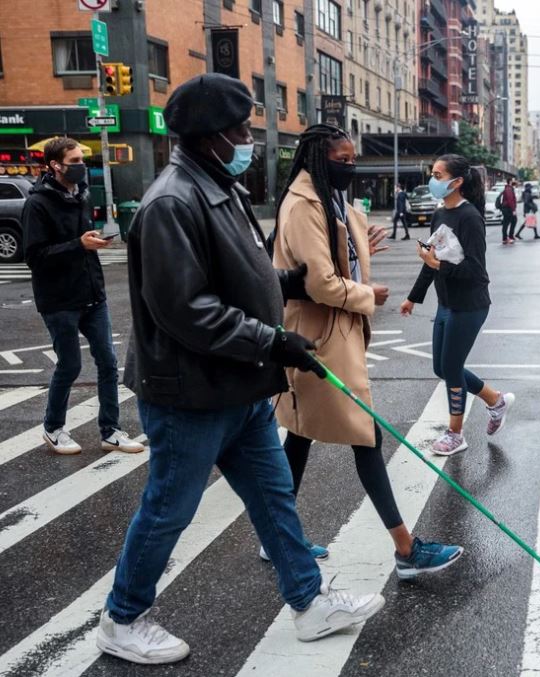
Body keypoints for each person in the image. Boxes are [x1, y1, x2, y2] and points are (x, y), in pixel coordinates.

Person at [99, 74, 383, 666]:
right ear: (209, 136)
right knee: (169, 508)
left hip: (239, 382)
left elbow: (233, 273)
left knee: (275, 495)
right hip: (191, 392)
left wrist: (283, 284)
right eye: (240, 129)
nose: (248, 137)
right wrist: (273, 340)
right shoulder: (173, 201)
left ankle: (309, 604)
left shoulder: (217, 184)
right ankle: (122, 618)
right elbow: (185, 309)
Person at [272, 124, 463, 578]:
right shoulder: (303, 203)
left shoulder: (326, 196)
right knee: (366, 436)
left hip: (332, 331)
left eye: (354, 158)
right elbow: (319, 282)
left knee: (299, 438)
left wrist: (357, 246)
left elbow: (334, 250)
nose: (351, 166)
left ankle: (275, 535)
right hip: (322, 335)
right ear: (320, 158)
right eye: (344, 159)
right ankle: (406, 550)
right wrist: (365, 293)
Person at [22, 137, 144, 456]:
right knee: (70, 365)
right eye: (74, 161)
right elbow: (34, 256)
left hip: (92, 295)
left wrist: (92, 243)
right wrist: (78, 244)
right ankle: (53, 427)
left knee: (108, 362)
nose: (81, 167)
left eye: (82, 160)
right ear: (55, 165)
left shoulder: (83, 195)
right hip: (59, 300)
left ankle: (111, 431)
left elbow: (82, 242)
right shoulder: (37, 204)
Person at [400, 154, 515, 456]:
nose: (432, 180)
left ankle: (455, 433)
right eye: (433, 174)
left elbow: (476, 271)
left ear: (457, 182)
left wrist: (437, 264)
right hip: (447, 302)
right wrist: (414, 296)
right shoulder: (440, 214)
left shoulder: (470, 218)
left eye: (438, 175)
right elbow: (431, 258)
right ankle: (495, 400)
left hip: (470, 304)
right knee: (442, 367)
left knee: (451, 368)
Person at [499, 178, 517, 244]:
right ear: (510, 181)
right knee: (510, 222)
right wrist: (513, 210)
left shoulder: (508, 188)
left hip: (506, 208)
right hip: (508, 208)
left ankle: (507, 237)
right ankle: (508, 237)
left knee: (507, 222)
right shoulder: (509, 189)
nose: (515, 182)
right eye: (513, 181)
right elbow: (510, 200)